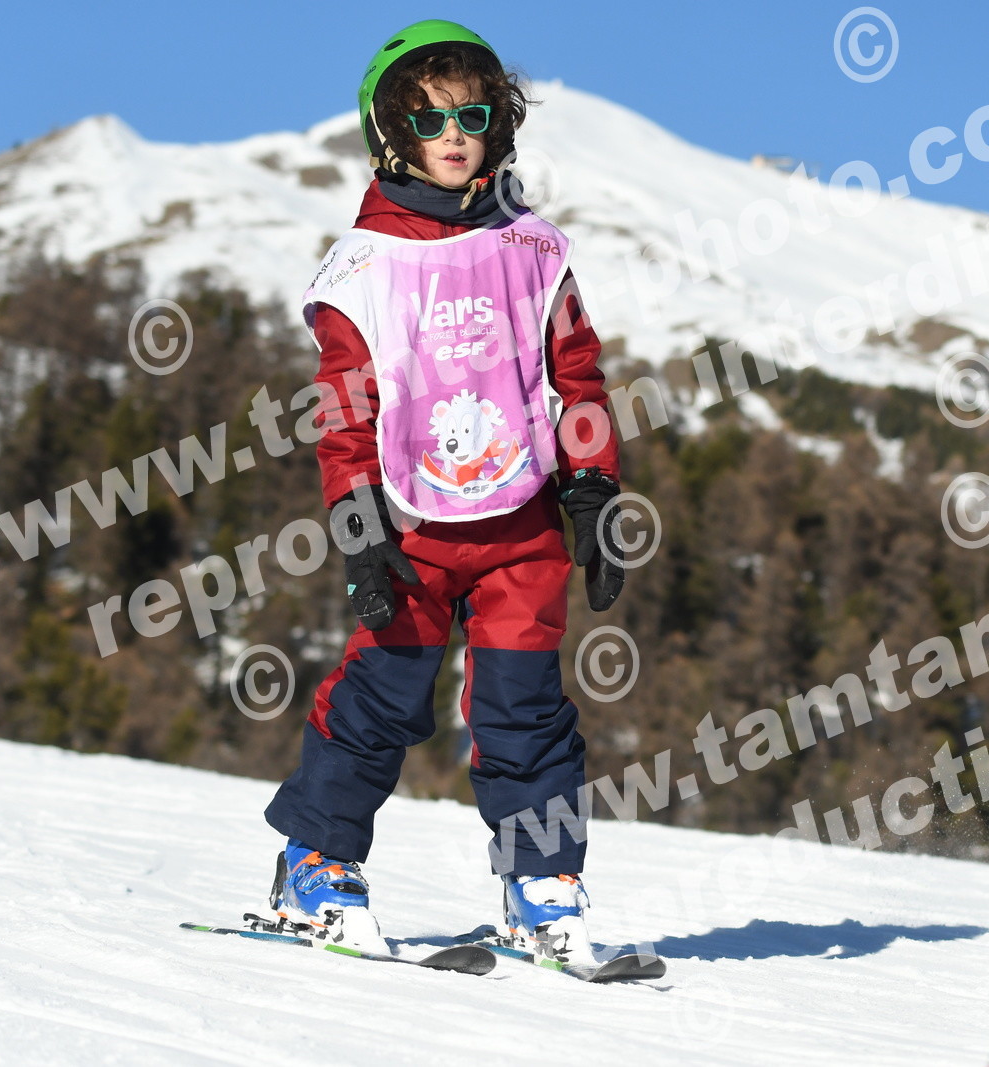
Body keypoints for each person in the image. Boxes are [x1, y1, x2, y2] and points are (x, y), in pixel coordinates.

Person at [261, 20, 625, 966]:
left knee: (525, 710)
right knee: (381, 699)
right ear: (392, 133)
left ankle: (542, 883)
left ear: (498, 124)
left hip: (522, 526)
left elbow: (577, 378)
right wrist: (357, 525)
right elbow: (345, 410)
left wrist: (593, 489)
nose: (454, 135)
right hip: (411, 525)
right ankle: (314, 862)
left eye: (472, 116)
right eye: (430, 120)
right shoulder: (363, 267)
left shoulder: (534, 250)